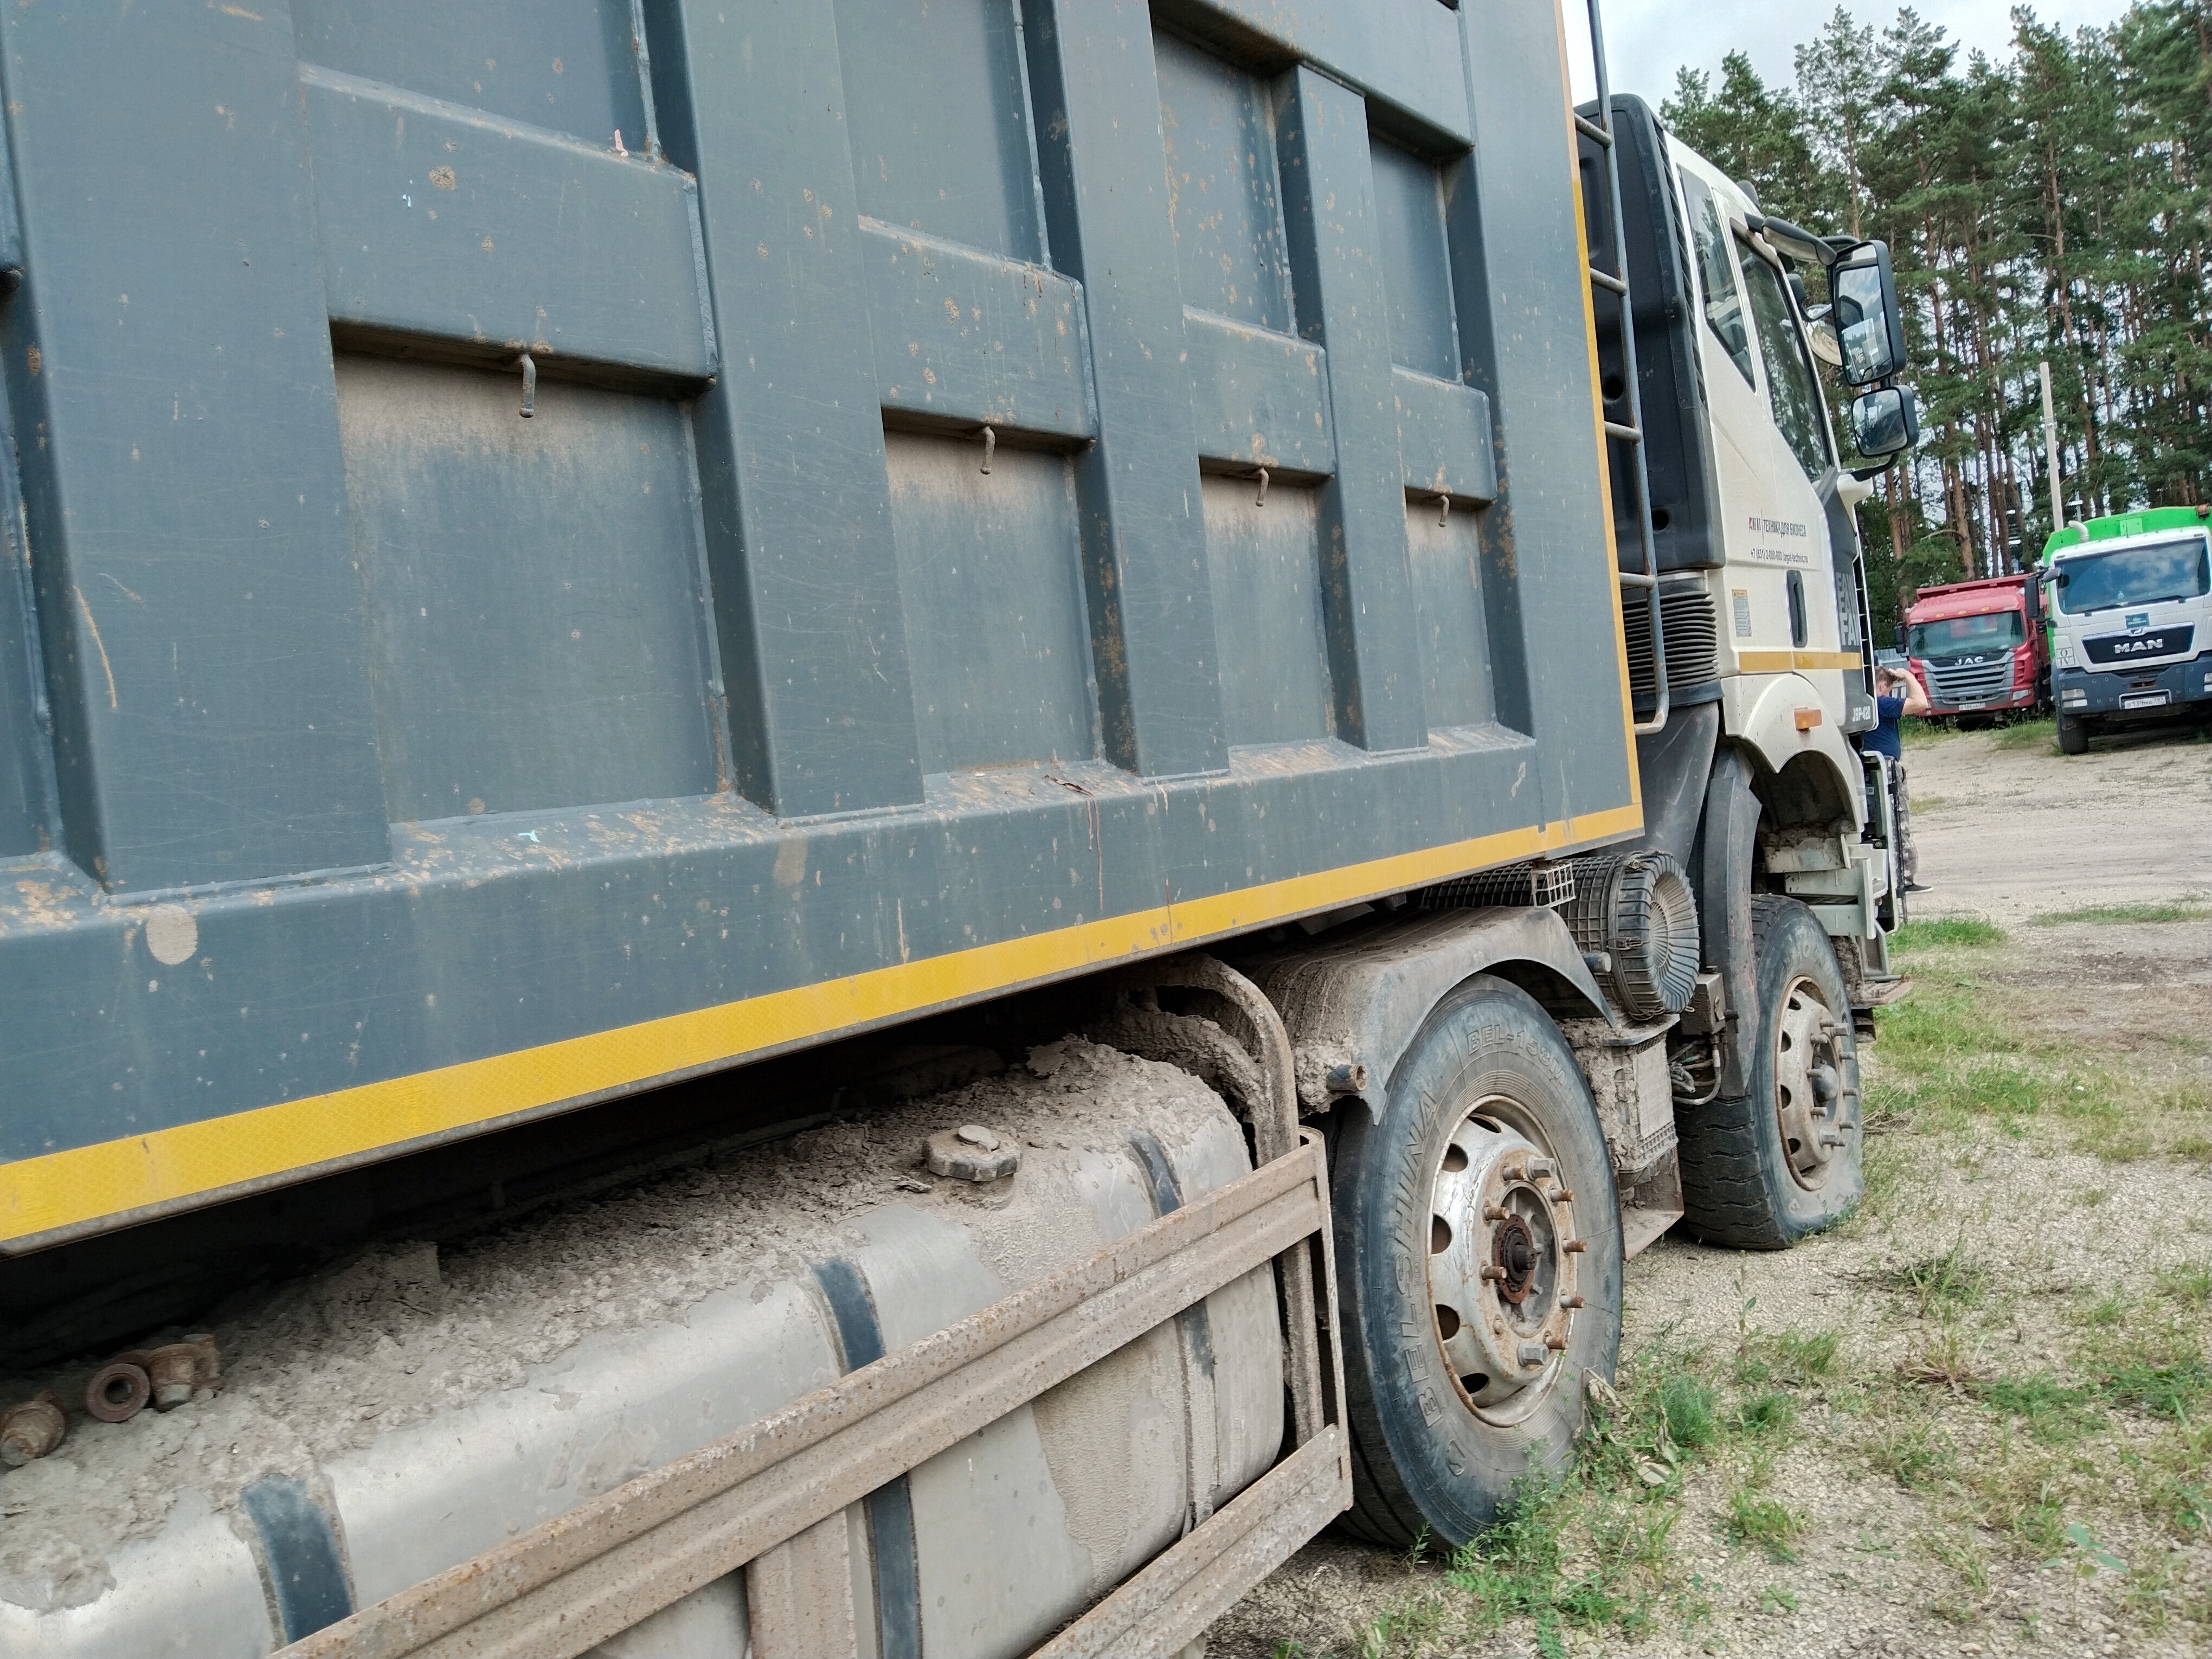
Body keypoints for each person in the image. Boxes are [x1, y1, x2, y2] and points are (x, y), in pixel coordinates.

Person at [1864, 664, 1930, 893]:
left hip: (1868, 767)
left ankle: (1884, 876)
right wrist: (1908, 676)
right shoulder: (1881, 703)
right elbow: (1921, 703)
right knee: (1898, 824)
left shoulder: (1860, 706)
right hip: (1888, 767)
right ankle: (1905, 879)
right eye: (1890, 688)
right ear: (1882, 686)